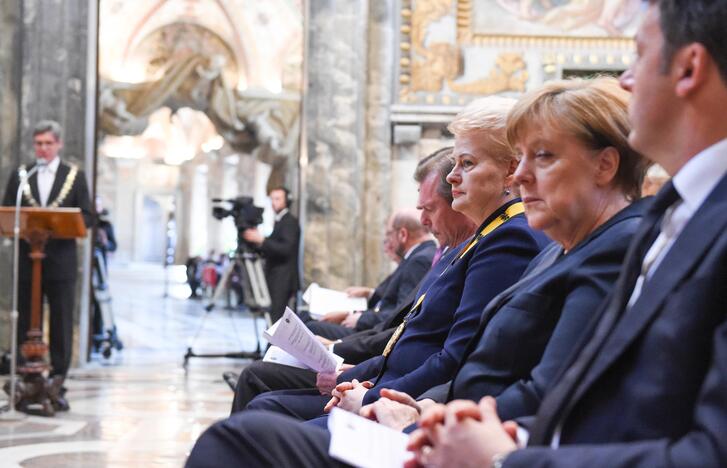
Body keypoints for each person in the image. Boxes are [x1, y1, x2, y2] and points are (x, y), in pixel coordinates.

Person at [183, 77, 650, 467]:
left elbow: (539, 389)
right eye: (521, 159)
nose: (521, 176)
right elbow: (468, 359)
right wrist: (412, 403)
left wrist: (421, 414)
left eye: (542, 158)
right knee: (251, 428)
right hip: (435, 415)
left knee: (244, 439)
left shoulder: (597, 246)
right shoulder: (558, 249)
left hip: (464, 439)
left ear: (605, 165)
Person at [404, 1, 727, 466]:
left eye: (637, 54)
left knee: (264, 430)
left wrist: (502, 457)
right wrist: (478, 431)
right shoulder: (674, 212)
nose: (625, 79)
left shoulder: (635, 231)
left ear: (690, 67)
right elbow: (598, 399)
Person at [228, 149, 474, 413]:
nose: (425, 222)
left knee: (259, 388)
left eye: (429, 209)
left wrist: (345, 361)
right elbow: (404, 327)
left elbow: (431, 349)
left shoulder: (459, 253)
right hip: (379, 372)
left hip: (390, 389)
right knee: (270, 373)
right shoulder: (451, 253)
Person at [2, 119, 92, 410]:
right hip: (29, 261)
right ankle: (26, 377)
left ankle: (57, 379)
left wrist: (61, 225)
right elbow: (7, 211)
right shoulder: (21, 176)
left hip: (61, 261)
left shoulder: (73, 176)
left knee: (61, 320)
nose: (43, 149)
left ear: (59, 144)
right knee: (27, 318)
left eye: (48, 143)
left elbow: (88, 217)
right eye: (38, 143)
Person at [308, 210, 436, 340]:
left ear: (402, 234)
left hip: (379, 334)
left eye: (389, 234)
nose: (388, 242)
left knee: (311, 327)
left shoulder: (419, 260)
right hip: (377, 325)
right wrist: (368, 295)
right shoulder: (418, 255)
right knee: (306, 319)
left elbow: (401, 314)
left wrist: (359, 318)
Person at [241, 187, 301, 324]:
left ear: (287, 200)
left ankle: (274, 346)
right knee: (273, 317)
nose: (274, 202)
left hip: (283, 279)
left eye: (278, 199)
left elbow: (286, 249)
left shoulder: (289, 221)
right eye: (272, 199)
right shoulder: (280, 220)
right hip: (276, 278)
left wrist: (262, 240)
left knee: (277, 319)